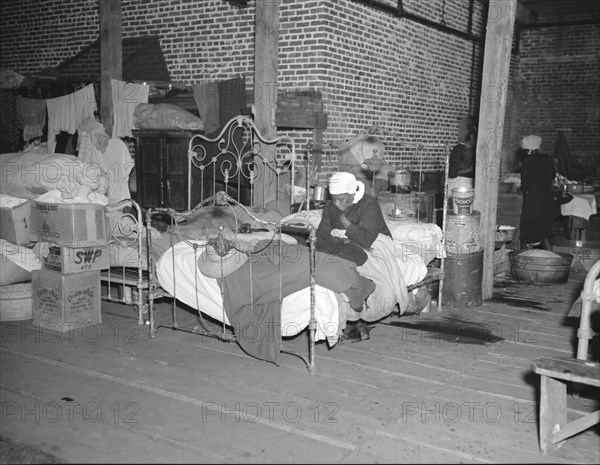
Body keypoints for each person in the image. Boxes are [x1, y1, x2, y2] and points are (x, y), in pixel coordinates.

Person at [316, 171, 392, 342]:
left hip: (373, 243)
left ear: (353, 194)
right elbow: (321, 236)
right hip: (344, 243)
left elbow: (366, 239)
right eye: (333, 198)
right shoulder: (330, 207)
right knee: (317, 249)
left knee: (343, 257)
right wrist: (341, 239)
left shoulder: (368, 205)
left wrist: (345, 224)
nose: (336, 203)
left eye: (341, 198)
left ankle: (356, 306)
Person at [518, 135, 556, 250]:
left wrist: (519, 189)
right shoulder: (548, 159)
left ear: (529, 147)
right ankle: (552, 259)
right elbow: (553, 175)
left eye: (525, 148)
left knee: (526, 232)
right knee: (545, 232)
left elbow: (525, 186)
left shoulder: (527, 161)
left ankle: (523, 258)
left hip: (534, 200)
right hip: (547, 198)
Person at [448, 118, 477, 195]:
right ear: (472, 137)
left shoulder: (475, 151)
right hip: (457, 185)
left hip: (469, 185)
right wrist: (470, 170)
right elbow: (452, 173)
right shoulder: (459, 149)